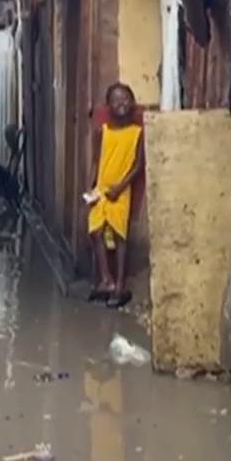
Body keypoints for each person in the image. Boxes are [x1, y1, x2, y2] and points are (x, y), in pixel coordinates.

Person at [87, 83, 144, 308]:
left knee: (120, 236)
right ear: (108, 105)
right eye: (116, 100)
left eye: (125, 99)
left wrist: (121, 187)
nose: (121, 103)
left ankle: (119, 284)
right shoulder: (103, 131)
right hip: (102, 188)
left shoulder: (137, 133)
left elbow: (138, 165)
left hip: (122, 190)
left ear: (132, 103)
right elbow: (96, 161)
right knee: (95, 230)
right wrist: (91, 187)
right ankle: (106, 279)